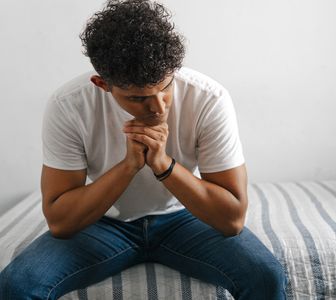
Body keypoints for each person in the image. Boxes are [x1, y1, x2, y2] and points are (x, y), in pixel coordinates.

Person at [0, 0, 286, 299]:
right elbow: (60, 222)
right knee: (17, 284)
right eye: (138, 99)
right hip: (104, 223)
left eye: (166, 87)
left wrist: (163, 165)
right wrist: (128, 167)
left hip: (185, 218)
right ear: (102, 84)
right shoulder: (68, 105)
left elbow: (232, 218)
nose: (158, 107)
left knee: (265, 275)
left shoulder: (209, 98)